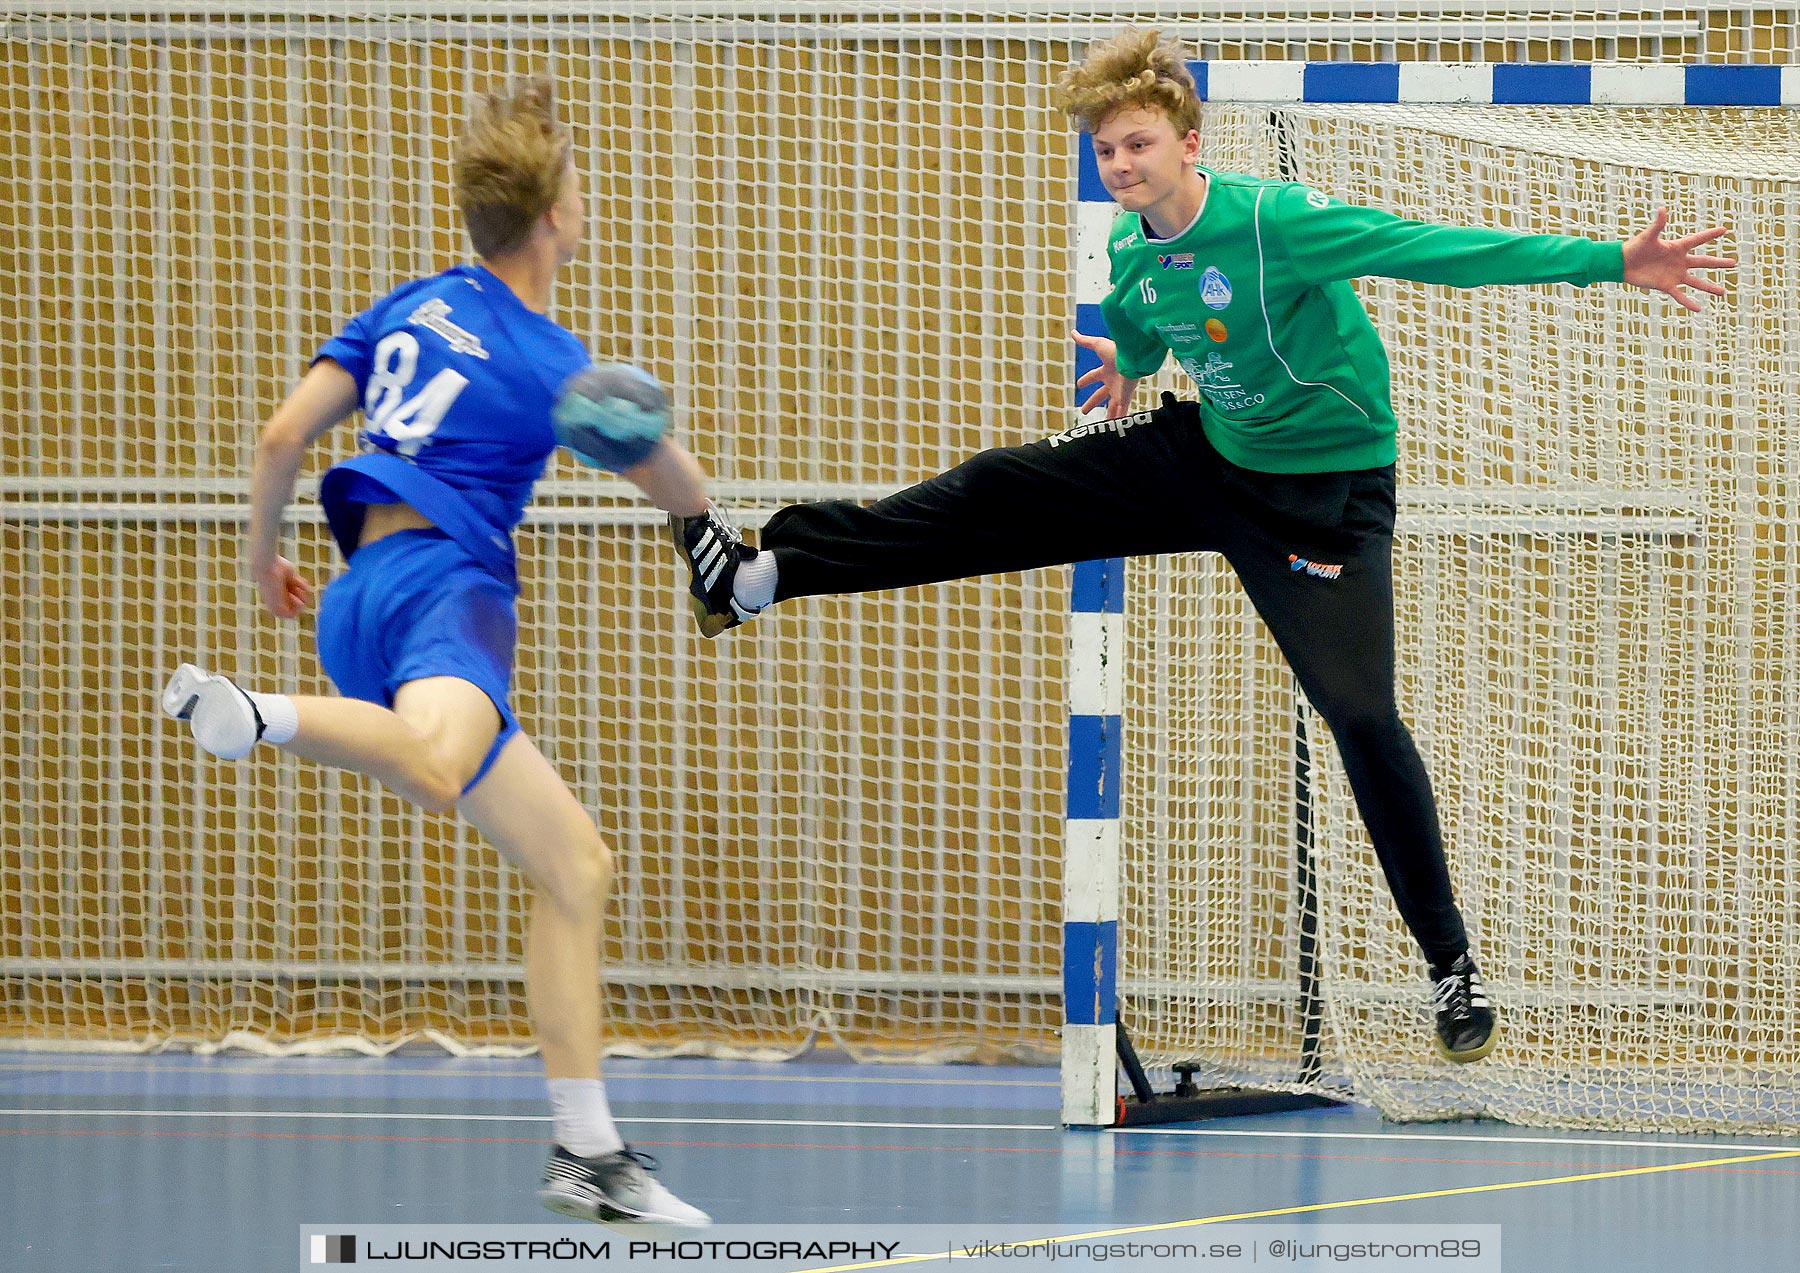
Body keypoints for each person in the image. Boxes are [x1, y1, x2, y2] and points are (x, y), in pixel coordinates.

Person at [669, 29, 1736, 1064]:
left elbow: (1437, 251)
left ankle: (1451, 966)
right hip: (1205, 461)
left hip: (1325, 500)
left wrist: (1612, 262)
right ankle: (765, 574)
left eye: (1138, 143)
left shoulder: (1276, 223)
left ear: (1188, 143)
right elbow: (1143, 323)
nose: (1122, 163)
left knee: (1361, 712)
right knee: (1000, 489)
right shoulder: (1133, 254)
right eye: (1106, 150)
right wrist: (1126, 363)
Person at [161, 78, 713, 1225]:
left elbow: (280, 437)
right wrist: (680, 481)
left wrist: (265, 562)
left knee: (574, 868)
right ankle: (257, 715)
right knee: (430, 761)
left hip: (354, 587)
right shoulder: (549, 359)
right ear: (556, 216)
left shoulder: (410, 304)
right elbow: (674, 484)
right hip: (448, 592)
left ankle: (586, 1150)